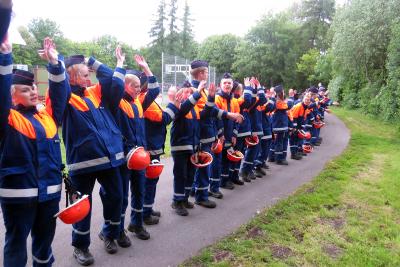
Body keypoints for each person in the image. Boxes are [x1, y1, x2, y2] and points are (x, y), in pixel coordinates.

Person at [0, 37, 69, 267]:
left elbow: (60, 93)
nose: (32, 92)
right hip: (19, 198)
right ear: (11, 96)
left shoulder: (47, 116)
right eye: (24, 89)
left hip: (49, 195)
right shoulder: (8, 118)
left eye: (33, 88)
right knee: (16, 246)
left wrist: (55, 63)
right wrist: (5, 58)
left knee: (44, 244)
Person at [63, 47, 125, 265]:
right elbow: (57, 89)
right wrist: (58, 64)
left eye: (88, 74)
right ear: (71, 76)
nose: (89, 78)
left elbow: (113, 81)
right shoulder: (65, 98)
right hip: (82, 163)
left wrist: (90, 61)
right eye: (84, 74)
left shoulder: (95, 92)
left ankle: (108, 233)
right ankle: (80, 247)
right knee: (82, 206)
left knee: (116, 196)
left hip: (109, 159)